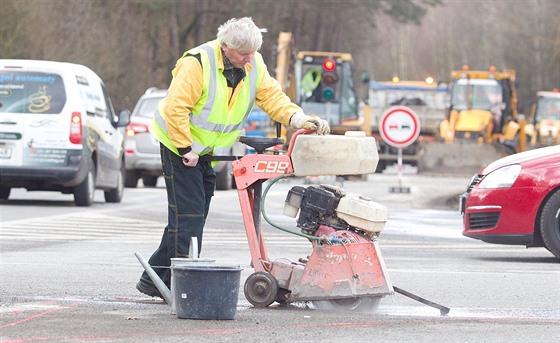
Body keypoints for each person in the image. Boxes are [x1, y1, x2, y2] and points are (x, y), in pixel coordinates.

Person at [136, 17, 329, 299]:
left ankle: (153, 279)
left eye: (252, 52)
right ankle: (181, 289)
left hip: (205, 151)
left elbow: (272, 97)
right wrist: (185, 148)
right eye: (243, 53)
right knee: (188, 217)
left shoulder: (253, 64)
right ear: (225, 46)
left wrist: (297, 118)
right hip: (180, 146)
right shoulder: (197, 63)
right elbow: (176, 108)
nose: (248, 58)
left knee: (193, 215)